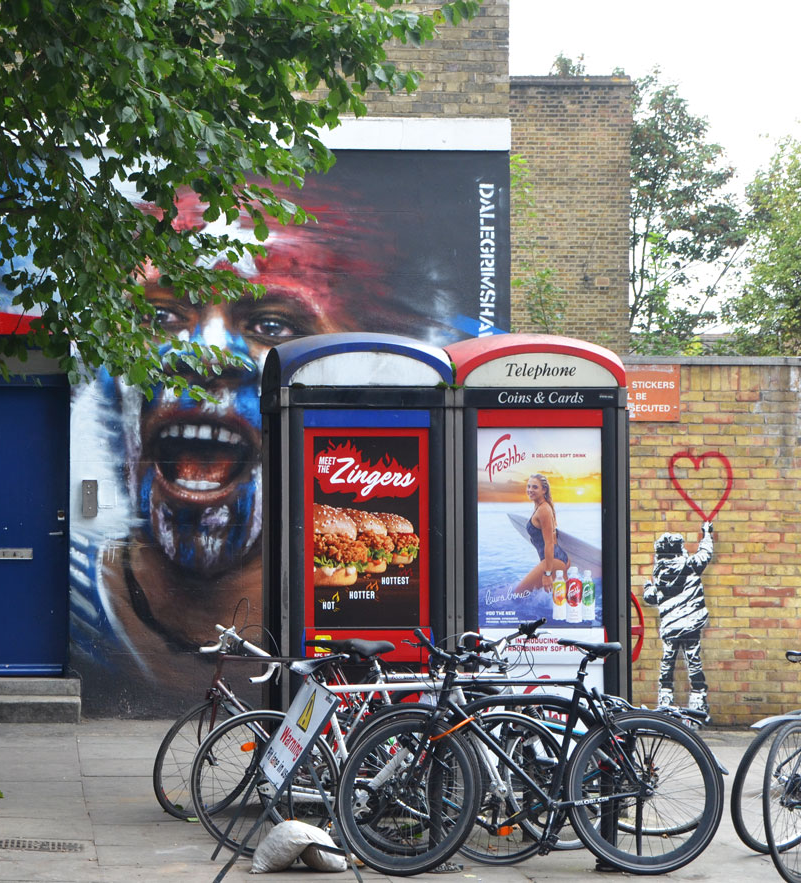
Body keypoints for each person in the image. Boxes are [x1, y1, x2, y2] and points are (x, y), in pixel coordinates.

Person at [68, 186, 453, 715]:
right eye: (161, 317)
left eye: (271, 325)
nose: (203, 358)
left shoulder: (367, 572)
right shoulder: (56, 602)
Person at [643, 522, 713, 719]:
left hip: (671, 628)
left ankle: (665, 698)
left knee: (668, 661)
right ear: (680, 549)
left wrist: (647, 587)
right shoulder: (691, 565)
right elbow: (706, 552)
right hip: (692, 625)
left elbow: (652, 598)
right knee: (694, 660)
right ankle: (698, 700)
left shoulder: (659, 576)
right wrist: (707, 533)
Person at [515, 473, 569, 593]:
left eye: (535, 487)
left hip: (553, 561)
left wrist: (547, 573)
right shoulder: (541, 507)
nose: (530, 490)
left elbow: (549, 543)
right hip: (557, 559)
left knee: (517, 595)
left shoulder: (544, 509)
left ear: (544, 490)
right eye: (528, 486)